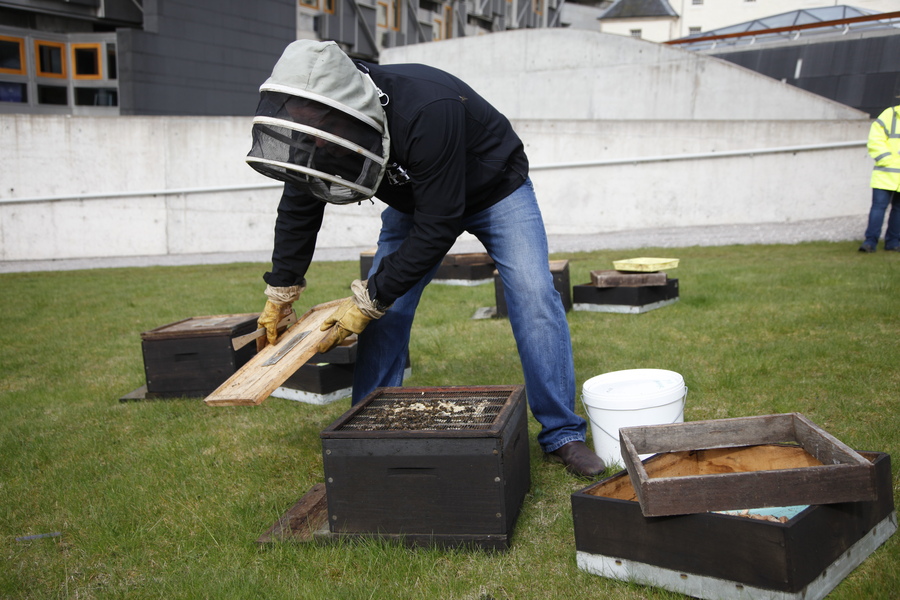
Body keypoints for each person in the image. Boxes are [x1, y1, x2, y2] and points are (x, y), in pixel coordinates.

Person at [245, 40, 605, 478]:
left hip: (496, 188)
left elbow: (439, 226)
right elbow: (301, 200)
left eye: (318, 130)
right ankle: (366, 432)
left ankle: (562, 435)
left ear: (347, 109)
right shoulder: (318, 119)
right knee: (385, 313)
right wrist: (282, 288)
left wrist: (368, 299)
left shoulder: (427, 106)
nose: (313, 139)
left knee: (533, 297)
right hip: (419, 198)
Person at [859, 102, 900, 253]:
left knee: (898, 210)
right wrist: (887, 159)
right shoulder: (889, 115)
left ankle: (893, 243)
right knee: (878, 208)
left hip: (887, 172)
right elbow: (875, 139)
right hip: (885, 173)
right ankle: (870, 242)